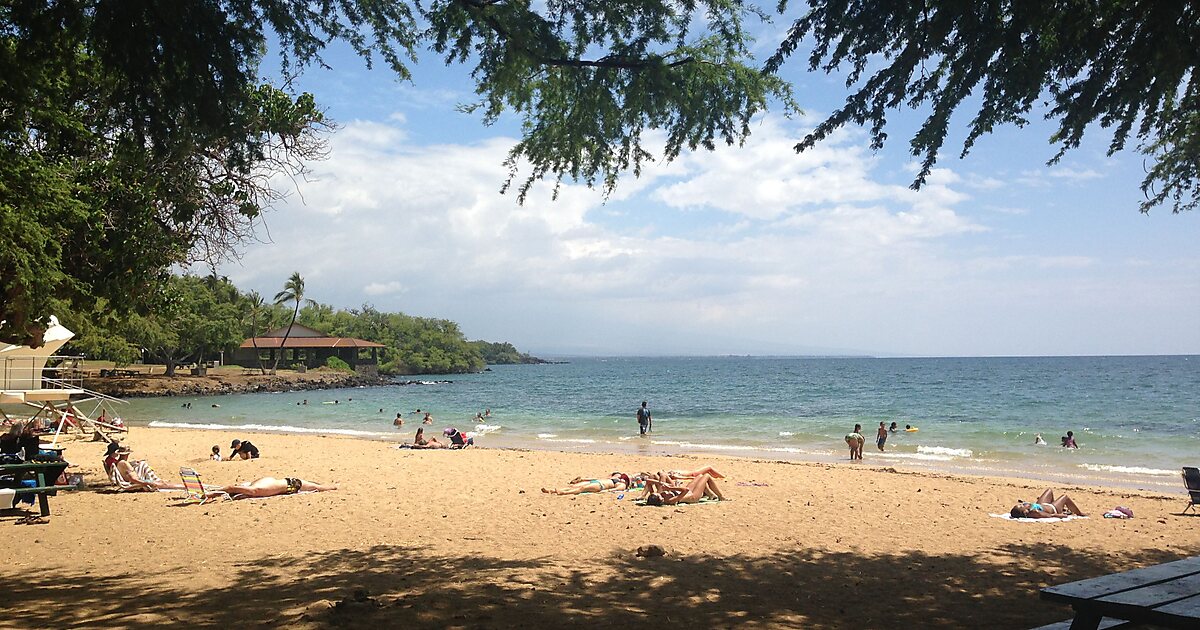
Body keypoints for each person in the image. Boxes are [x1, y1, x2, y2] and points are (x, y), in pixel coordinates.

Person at [103, 444, 184, 491]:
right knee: (163, 484)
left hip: (138, 482)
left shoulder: (120, 463)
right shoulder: (124, 464)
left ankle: (183, 486)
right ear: (127, 454)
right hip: (138, 483)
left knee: (162, 482)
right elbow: (133, 479)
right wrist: (147, 482)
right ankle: (184, 487)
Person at [641, 473, 727, 506]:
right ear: (661, 500)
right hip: (693, 497)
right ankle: (721, 497)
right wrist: (670, 488)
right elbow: (685, 490)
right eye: (660, 495)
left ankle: (710, 494)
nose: (662, 493)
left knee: (700, 476)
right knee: (706, 476)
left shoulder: (661, 494)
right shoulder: (670, 500)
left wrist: (660, 483)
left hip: (687, 491)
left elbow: (648, 481)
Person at [220, 477, 337, 499]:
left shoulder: (258, 490)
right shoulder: (258, 490)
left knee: (253, 490)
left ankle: (334, 486)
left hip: (286, 484)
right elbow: (320, 488)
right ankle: (334, 486)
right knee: (253, 491)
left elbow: (231, 488)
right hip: (286, 484)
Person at [1010, 489, 1086, 519]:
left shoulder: (1030, 509)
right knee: (1065, 497)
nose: (1023, 504)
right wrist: (1063, 515)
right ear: (1025, 512)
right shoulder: (1035, 512)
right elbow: (1050, 515)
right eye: (1022, 506)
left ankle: (1061, 507)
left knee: (1049, 491)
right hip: (1053, 508)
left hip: (1042, 504)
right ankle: (1079, 513)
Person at [543, 472, 634, 495]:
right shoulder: (616, 478)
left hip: (599, 486)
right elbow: (598, 478)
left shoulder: (622, 485)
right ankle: (551, 491)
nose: (621, 478)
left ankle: (564, 492)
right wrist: (584, 479)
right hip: (596, 482)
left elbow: (613, 490)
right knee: (574, 486)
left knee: (582, 489)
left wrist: (604, 492)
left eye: (624, 478)